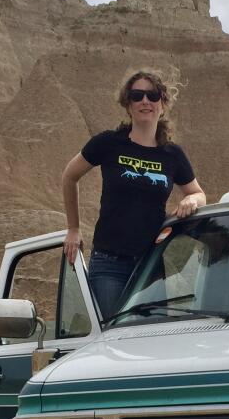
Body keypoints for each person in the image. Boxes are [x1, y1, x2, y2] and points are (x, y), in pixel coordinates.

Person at [60, 69, 206, 318]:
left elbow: (198, 193)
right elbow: (69, 176)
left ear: (163, 103)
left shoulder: (172, 154)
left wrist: (191, 199)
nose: (145, 101)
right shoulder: (108, 143)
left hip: (150, 265)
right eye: (137, 95)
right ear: (128, 104)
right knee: (115, 338)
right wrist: (73, 228)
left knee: (152, 342)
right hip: (109, 263)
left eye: (152, 95)